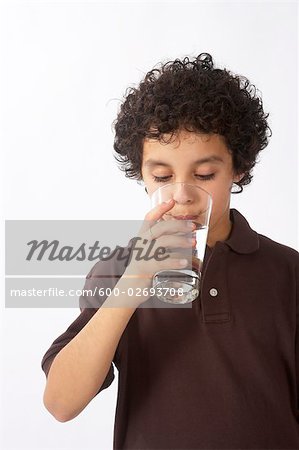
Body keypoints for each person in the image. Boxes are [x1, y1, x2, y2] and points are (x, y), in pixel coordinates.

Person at [41, 53, 299, 449]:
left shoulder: (287, 272)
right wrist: (135, 280)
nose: (181, 194)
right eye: (161, 176)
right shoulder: (117, 271)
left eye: (204, 175)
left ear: (239, 168)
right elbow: (61, 403)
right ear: (141, 174)